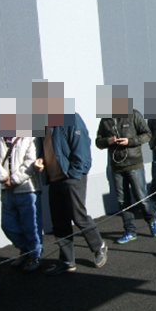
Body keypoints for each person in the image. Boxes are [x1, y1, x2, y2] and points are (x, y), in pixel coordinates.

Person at [34, 111, 108, 275]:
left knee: (78, 215)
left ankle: (99, 246)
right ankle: (67, 260)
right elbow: (45, 149)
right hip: (54, 179)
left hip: (71, 176)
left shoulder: (69, 117)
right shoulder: (41, 124)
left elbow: (81, 146)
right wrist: (40, 160)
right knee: (59, 221)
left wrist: (75, 173)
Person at [96, 107, 156, 244]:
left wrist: (130, 141)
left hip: (134, 164)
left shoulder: (133, 114)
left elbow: (147, 134)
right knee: (122, 201)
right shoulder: (105, 120)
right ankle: (130, 231)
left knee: (141, 197)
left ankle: (151, 220)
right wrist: (108, 141)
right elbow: (98, 141)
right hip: (116, 166)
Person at [0, 136, 43, 271]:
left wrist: (14, 180)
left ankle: (34, 256)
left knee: (30, 227)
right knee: (7, 225)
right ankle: (25, 250)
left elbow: (31, 162)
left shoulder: (30, 136)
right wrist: (3, 177)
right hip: (6, 190)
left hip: (27, 189)